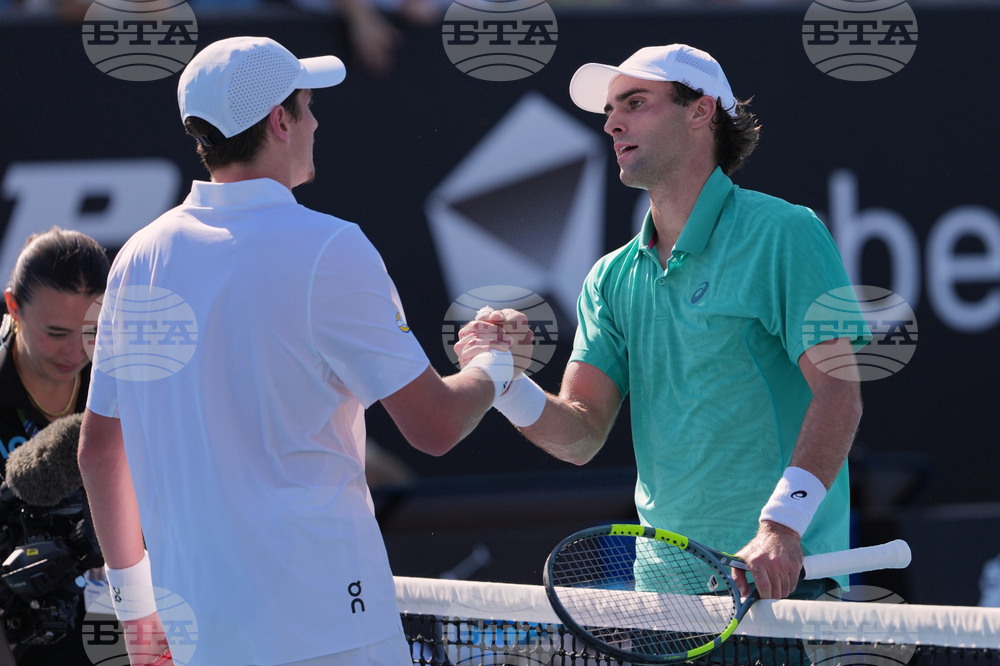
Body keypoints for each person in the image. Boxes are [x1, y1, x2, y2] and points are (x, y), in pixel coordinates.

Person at [77, 36, 530, 666]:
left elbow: (100, 452)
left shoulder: (136, 259)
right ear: (279, 120)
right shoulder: (331, 249)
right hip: (331, 631)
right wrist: (495, 364)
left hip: (198, 636)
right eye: (307, 105)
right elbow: (435, 425)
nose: (316, 121)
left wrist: (136, 610)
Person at [456, 44, 868, 601]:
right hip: (666, 601)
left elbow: (840, 394)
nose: (611, 122)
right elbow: (580, 434)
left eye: (635, 102)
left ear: (700, 111)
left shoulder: (786, 233)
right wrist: (505, 382)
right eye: (609, 109)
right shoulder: (609, 278)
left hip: (782, 586)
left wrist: (781, 527)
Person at [0, 227, 110, 665]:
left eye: (94, 331)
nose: (76, 353)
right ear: (13, 307)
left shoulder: (127, 380)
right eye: (56, 333)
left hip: (122, 626)